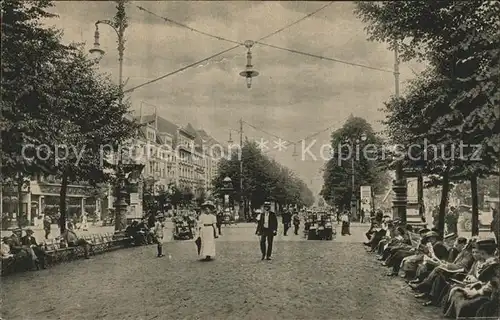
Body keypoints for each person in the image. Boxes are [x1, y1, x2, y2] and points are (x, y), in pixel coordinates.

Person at [442, 238, 499, 318]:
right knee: (458, 295)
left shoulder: (494, 265)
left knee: (464, 305)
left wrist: (477, 292)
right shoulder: (492, 263)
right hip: (487, 292)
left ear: (482, 253)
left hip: (492, 298)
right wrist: (477, 283)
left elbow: (493, 286)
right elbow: (490, 282)